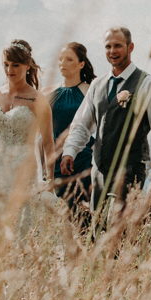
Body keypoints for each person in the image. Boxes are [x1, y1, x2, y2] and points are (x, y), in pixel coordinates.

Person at [61, 27, 151, 215]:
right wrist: (70, 150)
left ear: (130, 47)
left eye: (118, 46)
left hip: (131, 169)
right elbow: (82, 123)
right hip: (99, 170)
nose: (112, 51)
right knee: (97, 229)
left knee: (120, 228)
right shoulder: (97, 84)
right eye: (108, 46)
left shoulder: (148, 84)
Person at [0, 39, 55, 233]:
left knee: (20, 221)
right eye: (5, 64)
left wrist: (50, 179)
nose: (9, 70)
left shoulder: (37, 99)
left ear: (27, 65)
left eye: (15, 65)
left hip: (23, 167)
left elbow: (48, 143)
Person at [43, 42, 96, 212]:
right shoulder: (47, 93)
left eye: (69, 59)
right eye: (60, 59)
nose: (62, 64)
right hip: (53, 158)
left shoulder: (89, 91)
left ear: (81, 64)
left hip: (83, 159)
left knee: (80, 211)